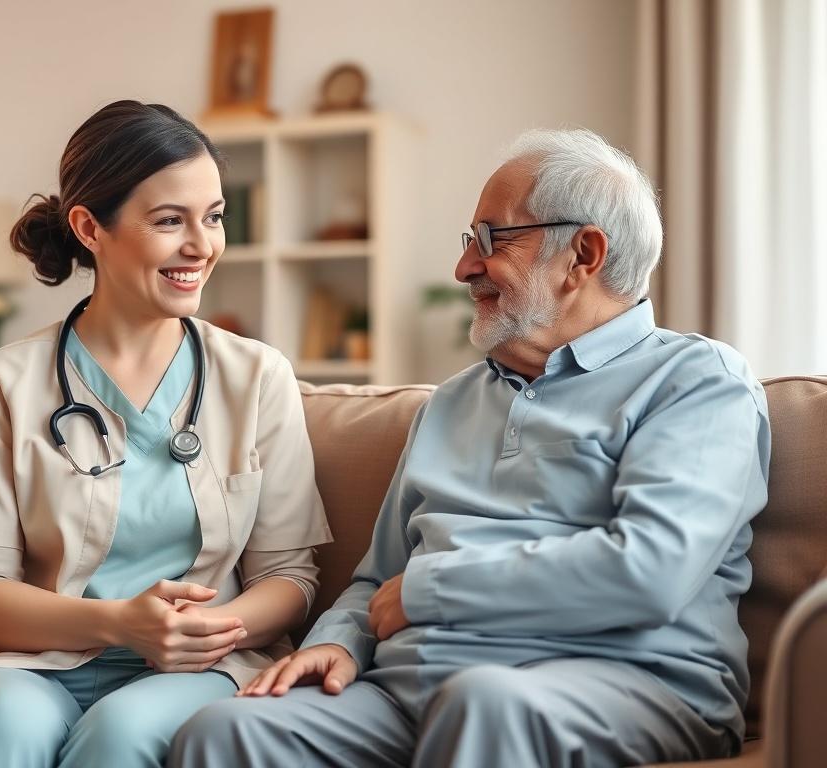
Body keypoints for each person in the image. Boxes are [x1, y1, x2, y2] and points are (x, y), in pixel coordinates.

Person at [169, 128, 771, 768]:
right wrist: (342, 641)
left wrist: (433, 590)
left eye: (491, 239)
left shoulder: (696, 382)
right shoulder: (452, 402)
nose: (463, 268)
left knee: (481, 703)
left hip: (626, 683)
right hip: (412, 688)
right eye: (468, 243)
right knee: (226, 731)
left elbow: (651, 570)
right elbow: (378, 576)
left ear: (583, 254)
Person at [0, 100, 331, 768]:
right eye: (168, 221)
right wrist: (119, 622)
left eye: (213, 217)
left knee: (121, 735)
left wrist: (193, 632)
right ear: (90, 227)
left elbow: (290, 577)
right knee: (6, 727)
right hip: (25, 662)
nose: (201, 245)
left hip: (195, 668)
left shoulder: (258, 376)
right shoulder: (1, 384)